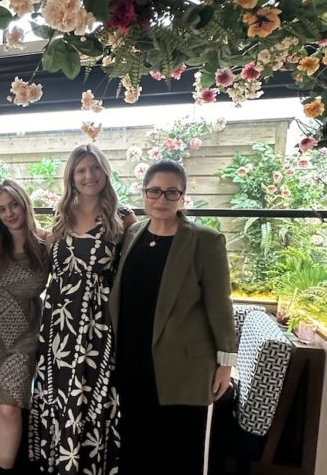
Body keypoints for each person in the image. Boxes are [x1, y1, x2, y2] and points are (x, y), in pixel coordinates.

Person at [109, 159, 236, 475]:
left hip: (184, 370)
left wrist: (225, 363)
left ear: (182, 196)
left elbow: (220, 306)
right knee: (137, 449)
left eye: (171, 192)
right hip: (132, 364)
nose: (161, 199)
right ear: (143, 193)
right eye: (154, 191)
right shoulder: (133, 234)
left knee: (179, 455)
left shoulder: (205, 241)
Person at [28, 144, 136, 475]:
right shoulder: (60, 216)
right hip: (58, 325)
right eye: (81, 170)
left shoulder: (123, 218)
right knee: (59, 393)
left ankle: (90, 467)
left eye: (95, 168)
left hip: (99, 325)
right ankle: (59, 464)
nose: (89, 176)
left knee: (95, 395)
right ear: (72, 177)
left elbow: (132, 275)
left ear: (105, 171)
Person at [0, 179, 49, 474]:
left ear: (24, 204)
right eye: (1, 209)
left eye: (13, 205)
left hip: (23, 334)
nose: (9, 213)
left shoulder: (47, 242)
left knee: (9, 407)